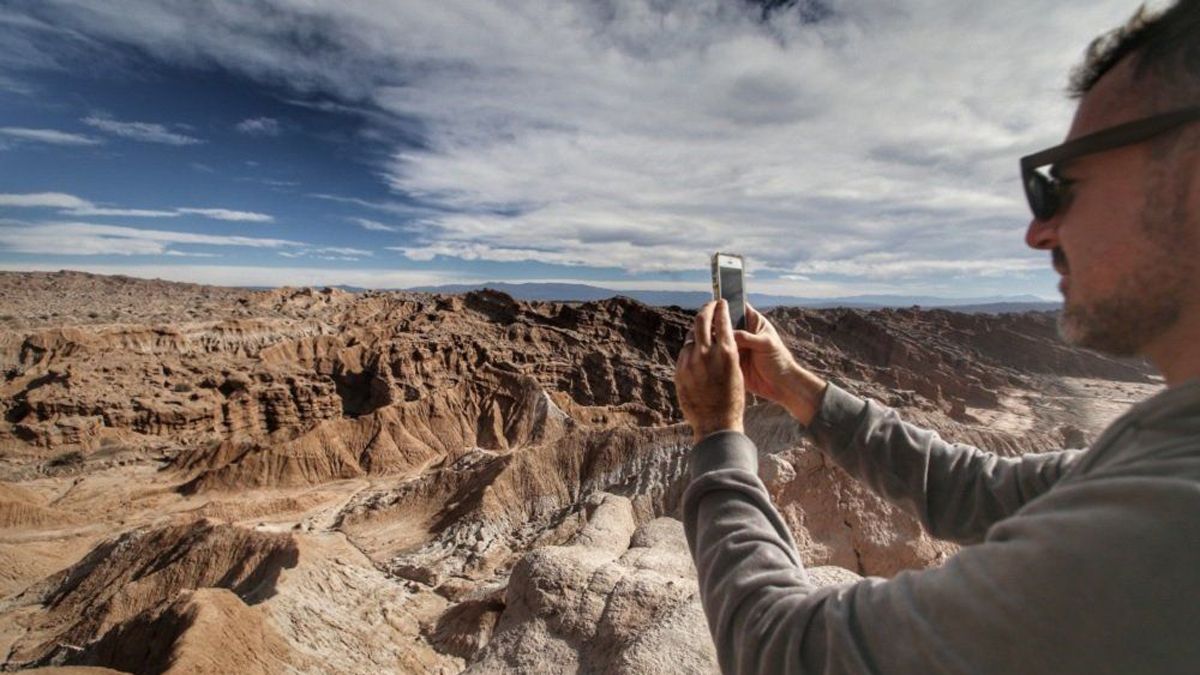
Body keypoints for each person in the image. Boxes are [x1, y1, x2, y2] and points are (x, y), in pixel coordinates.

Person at [673, 2, 1200, 673]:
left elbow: (780, 651)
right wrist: (795, 386)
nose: (1038, 232)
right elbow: (971, 489)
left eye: (1062, 185)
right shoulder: (1159, 454)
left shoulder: (1161, 524)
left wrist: (718, 433)